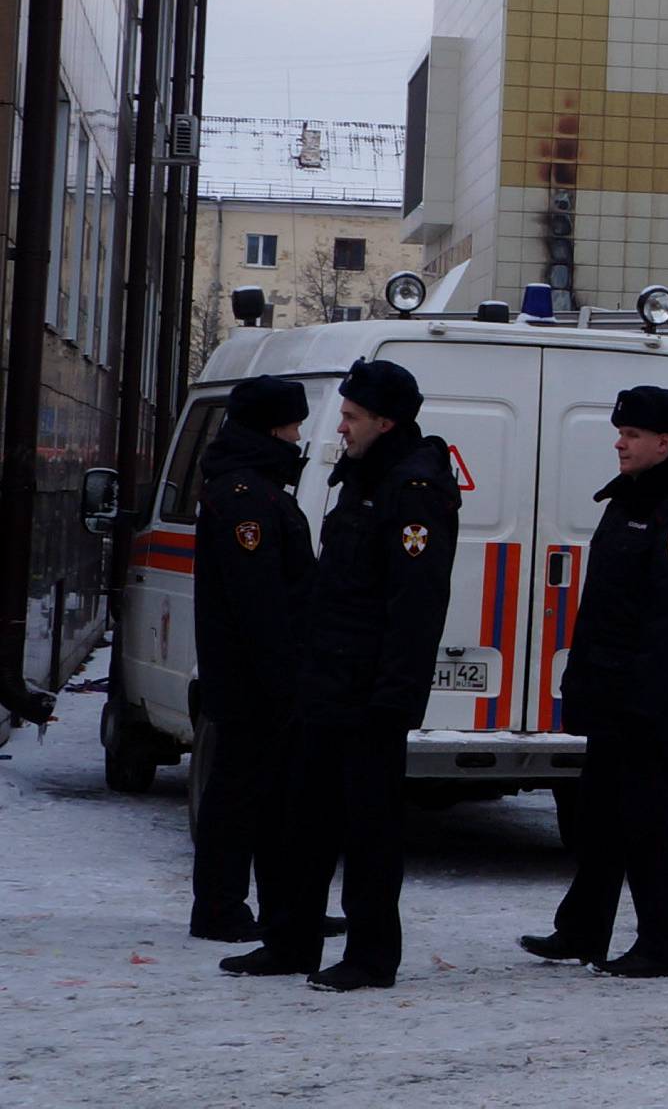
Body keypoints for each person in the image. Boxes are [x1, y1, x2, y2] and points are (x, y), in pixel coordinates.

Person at [222, 357, 459, 991]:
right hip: (325, 685)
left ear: (386, 421)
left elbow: (416, 605)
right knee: (306, 817)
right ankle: (293, 941)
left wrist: (395, 697)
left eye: (352, 417)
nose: (341, 428)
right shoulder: (362, 478)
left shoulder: (413, 489)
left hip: (369, 695)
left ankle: (371, 954)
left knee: (370, 830)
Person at [519, 385, 668, 978]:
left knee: (649, 822)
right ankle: (582, 930)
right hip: (609, 694)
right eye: (621, 432)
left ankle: (663, 945)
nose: (619, 442)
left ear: (664, 443)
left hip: (643, 703)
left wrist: (641, 702)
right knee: (599, 818)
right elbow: (603, 611)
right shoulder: (629, 503)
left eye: (631, 435)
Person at [189, 375, 315, 943]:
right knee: (238, 796)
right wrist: (285, 679)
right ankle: (220, 907)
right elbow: (259, 601)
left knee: (264, 796)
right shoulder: (248, 497)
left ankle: (276, 905)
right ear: (271, 428)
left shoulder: (254, 489)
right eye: (292, 425)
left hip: (254, 677)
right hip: (252, 682)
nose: (299, 436)